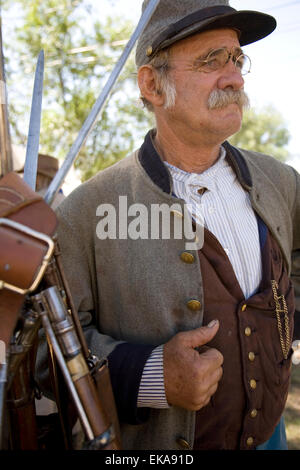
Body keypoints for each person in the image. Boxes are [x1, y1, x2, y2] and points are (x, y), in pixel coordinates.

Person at [36, 0, 300, 450]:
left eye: (236, 59)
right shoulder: (86, 211)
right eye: (210, 61)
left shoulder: (281, 180)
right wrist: (151, 376)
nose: (234, 76)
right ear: (152, 85)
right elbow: (48, 355)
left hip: (271, 435)